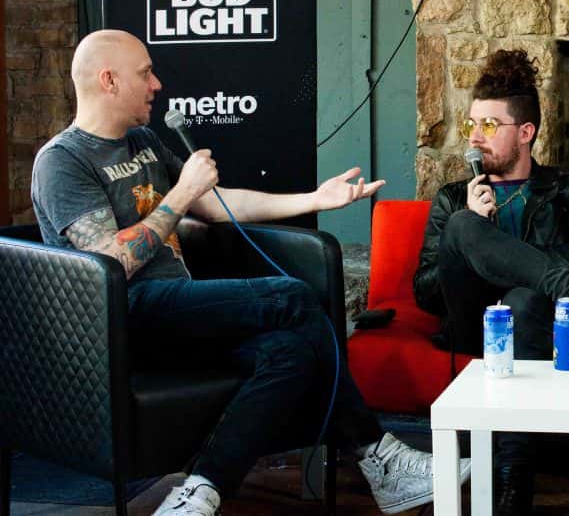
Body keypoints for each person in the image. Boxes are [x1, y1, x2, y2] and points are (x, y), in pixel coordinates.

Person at [30, 30, 468, 516]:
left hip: (177, 310)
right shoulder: (62, 161)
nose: (157, 84)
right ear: (108, 80)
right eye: (145, 73)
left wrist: (314, 199)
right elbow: (110, 264)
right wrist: (181, 194)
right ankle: (377, 456)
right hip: (122, 321)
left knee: (291, 350)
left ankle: (199, 492)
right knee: (292, 297)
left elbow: (215, 204)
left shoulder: (143, 141)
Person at [413, 49, 569, 515]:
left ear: (526, 133)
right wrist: (475, 231)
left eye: (489, 125)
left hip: (543, 322)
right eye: (471, 125)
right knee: (462, 227)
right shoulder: (453, 199)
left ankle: (514, 482)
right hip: (473, 322)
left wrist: (517, 266)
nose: (474, 137)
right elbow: (425, 291)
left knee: (523, 299)